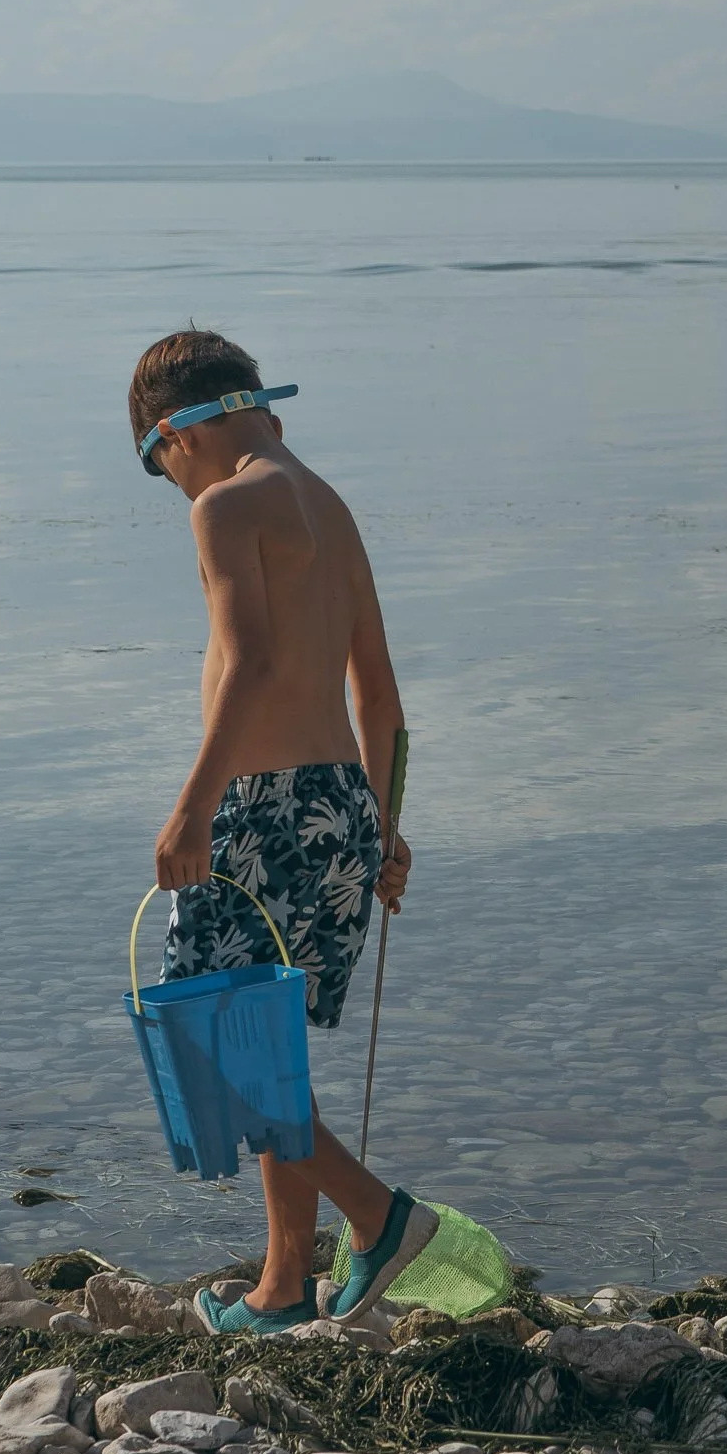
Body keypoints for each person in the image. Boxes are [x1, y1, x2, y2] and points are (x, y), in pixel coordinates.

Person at [129, 325, 438, 1332]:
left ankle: (379, 1217)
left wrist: (192, 806)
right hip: (340, 805)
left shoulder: (224, 507)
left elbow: (253, 664)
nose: (168, 485)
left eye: (155, 465)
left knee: (210, 1045)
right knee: (268, 1049)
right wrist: (382, 826)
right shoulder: (332, 509)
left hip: (257, 808)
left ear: (177, 435)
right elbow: (380, 694)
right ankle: (282, 1284)